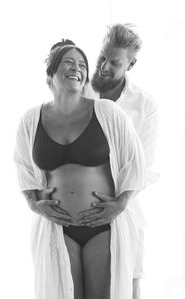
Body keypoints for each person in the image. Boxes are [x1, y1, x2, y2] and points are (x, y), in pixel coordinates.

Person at [14, 39, 147, 299]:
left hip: (103, 227)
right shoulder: (30, 120)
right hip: (57, 228)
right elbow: (23, 171)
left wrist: (121, 204)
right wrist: (33, 204)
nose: (78, 68)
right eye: (69, 62)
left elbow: (135, 162)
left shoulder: (107, 112)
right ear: (51, 72)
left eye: (82, 64)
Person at [82, 23, 159, 299]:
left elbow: (144, 167)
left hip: (123, 208)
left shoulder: (144, 106)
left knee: (129, 285)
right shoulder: (79, 92)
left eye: (114, 62)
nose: (103, 66)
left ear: (131, 64)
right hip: (79, 211)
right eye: (101, 57)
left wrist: (121, 203)